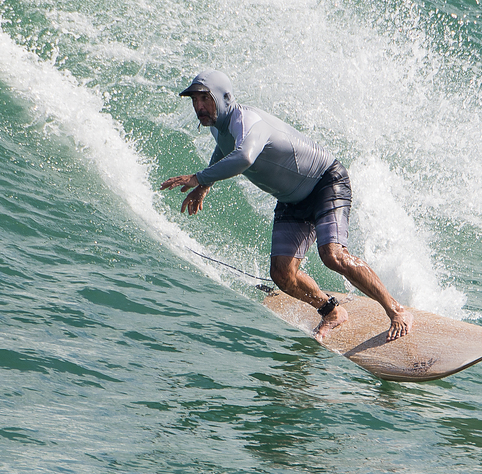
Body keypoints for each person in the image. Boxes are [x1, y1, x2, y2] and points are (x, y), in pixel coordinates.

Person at [160, 69, 415, 340]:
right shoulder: (219, 127)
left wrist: (198, 177)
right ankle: (331, 311)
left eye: (205, 99)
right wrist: (204, 186)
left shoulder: (247, 120)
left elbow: (244, 156)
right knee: (281, 274)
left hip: (325, 182)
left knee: (333, 255)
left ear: (225, 98)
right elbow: (224, 148)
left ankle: (396, 310)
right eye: (194, 100)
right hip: (292, 199)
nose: (199, 106)